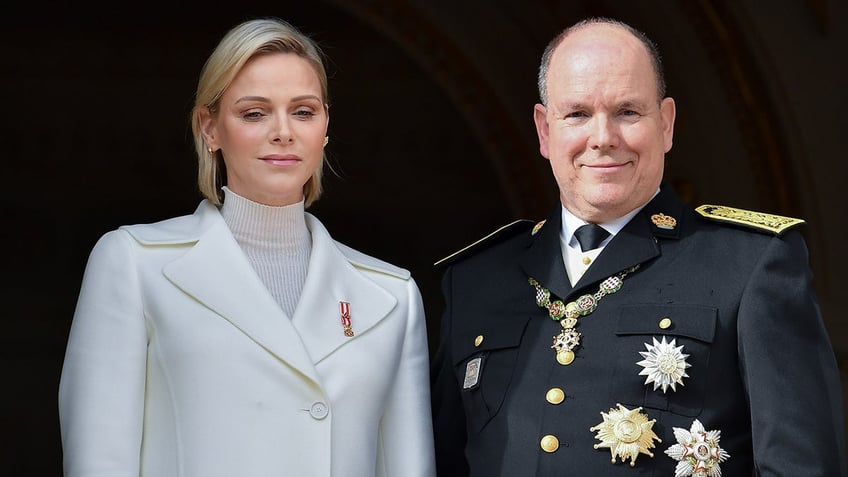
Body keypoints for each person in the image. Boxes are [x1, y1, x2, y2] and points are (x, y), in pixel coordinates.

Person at [430, 16, 846, 476]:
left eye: (627, 112)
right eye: (578, 114)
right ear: (545, 130)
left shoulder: (748, 266)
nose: (603, 137)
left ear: (665, 124)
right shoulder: (474, 280)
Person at [59, 17, 435, 477]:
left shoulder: (392, 297)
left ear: (325, 126)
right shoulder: (134, 264)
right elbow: (99, 463)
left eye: (303, 111)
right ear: (210, 128)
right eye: (254, 112)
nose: (283, 131)